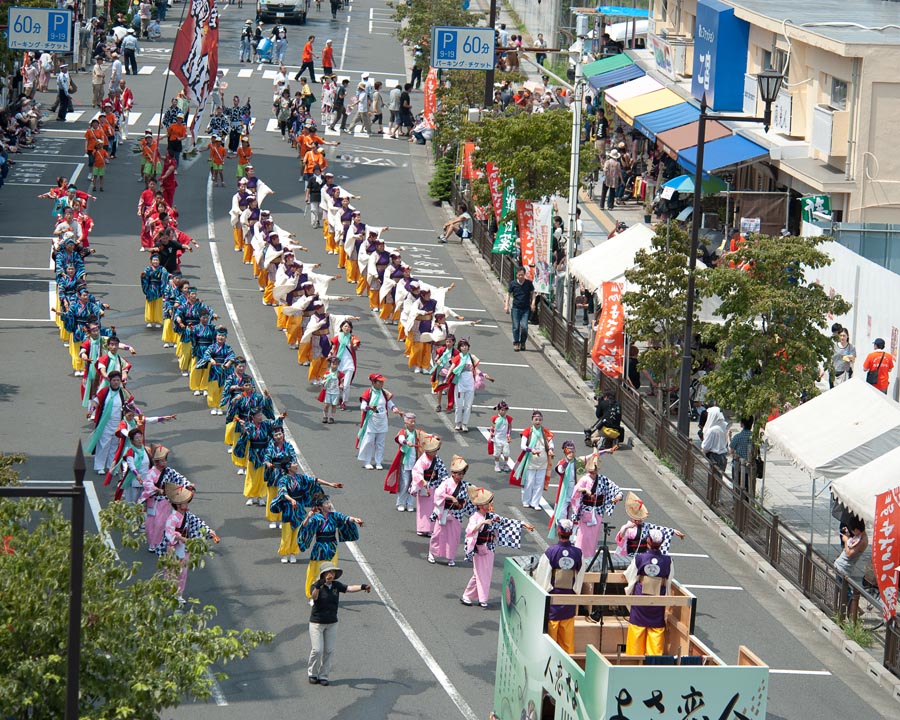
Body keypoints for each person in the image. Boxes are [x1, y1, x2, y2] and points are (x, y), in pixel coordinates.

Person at [462, 487, 534, 608]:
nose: (489, 505)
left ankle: (471, 596)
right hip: (480, 548)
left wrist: (523, 524)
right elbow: (470, 531)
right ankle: (475, 597)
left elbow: (506, 522)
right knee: (479, 573)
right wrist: (482, 524)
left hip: (489, 548)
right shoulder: (475, 517)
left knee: (484, 573)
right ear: (480, 505)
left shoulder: (492, 516)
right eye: (486, 503)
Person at [307, 563, 372, 686]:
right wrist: (317, 586)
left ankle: (323, 676)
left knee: (329, 650)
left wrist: (363, 587)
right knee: (317, 650)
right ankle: (312, 673)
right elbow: (313, 597)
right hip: (317, 623)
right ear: (323, 574)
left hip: (332, 623)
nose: (331, 574)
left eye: (333, 572)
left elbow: (349, 588)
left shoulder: (336, 586)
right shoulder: (316, 586)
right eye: (328, 572)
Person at [299, 496, 363, 599]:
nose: (329, 505)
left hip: (332, 548)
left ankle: (325, 594)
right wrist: (308, 517)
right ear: (320, 507)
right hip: (320, 549)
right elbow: (305, 526)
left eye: (329, 502)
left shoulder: (334, 516)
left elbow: (345, 518)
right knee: (317, 573)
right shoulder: (316, 518)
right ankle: (313, 595)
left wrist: (354, 519)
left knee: (330, 572)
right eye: (326, 503)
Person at [535, 519, 583, 653]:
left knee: (550, 643)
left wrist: (544, 593)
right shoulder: (578, 553)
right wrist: (575, 593)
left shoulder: (551, 552)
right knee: (567, 642)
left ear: (558, 531)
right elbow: (580, 577)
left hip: (553, 600)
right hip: (569, 600)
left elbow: (542, 576)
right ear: (571, 532)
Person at [624, 528, 672, 656]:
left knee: (637, 629)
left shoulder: (640, 558)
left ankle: (633, 663)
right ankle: (653, 666)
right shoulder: (668, 561)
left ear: (648, 540)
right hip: (657, 600)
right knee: (656, 631)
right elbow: (669, 580)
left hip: (641, 598)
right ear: (662, 543)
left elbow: (630, 575)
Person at [569, 453, 622, 559]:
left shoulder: (603, 479)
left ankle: (590, 556)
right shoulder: (584, 479)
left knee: (593, 536)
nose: (593, 472)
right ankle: (579, 555)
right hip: (586, 511)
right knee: (583, 536)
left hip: (598, 510)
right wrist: (584, 490)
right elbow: (577, 489)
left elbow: (615, 488)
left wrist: (618, 496)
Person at [428, 455, 474, 567]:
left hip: (457, 514)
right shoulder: (446, 483)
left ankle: (450, 557)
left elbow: (474, 492)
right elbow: (438, 494)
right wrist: (450, 497)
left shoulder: (465, 485)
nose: (461, 476)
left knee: (454, 537)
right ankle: (432, 553)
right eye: (459, 473)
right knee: (438, 534)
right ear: (453, 473)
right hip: (445, 512)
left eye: (462, 474)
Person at [357, 372, 403, 469]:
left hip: (382, 420)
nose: (382, 384)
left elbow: (389, 403)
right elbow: (362, 406)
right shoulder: (368, 392)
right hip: (371, 420)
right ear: (373, 383)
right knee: (369, 442)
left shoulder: (384, 392)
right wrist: (370, 407)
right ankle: (367, 461)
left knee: (380, 443)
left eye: (382, 382)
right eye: (379, 382)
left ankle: (378, 462)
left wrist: (395, 409)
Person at [510, 410, 554, 510]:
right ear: (532, 420)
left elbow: (551, 443)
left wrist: (551, 450)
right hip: (530, 461)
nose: (538, 422)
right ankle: (526, 501)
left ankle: (535, 503)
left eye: (540, 420)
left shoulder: (546, 432)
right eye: (536, 419)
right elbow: (522, 446)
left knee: (539, 483)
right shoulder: (527, 431)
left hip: (542, 462)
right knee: (529, 482)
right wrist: (531, 450)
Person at [383, 412, 425, 511]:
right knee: (405, 483)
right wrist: (407, 442)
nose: (413, 424)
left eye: (414, 421)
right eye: (411, 422)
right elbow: (400, 439)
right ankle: (400, 502)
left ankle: (410, 503)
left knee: (414, 484)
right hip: (405, 462)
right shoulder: (403, 432)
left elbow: (426, 437)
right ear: (406, 423)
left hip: (416, 462)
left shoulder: (417, 433)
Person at [834, 516, 868, 619]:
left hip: (844, 568)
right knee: (844, 590)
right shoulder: (860, 536)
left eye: (853, 530)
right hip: (841, 566)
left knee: (846, 592)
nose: (852, 532)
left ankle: (854, 612)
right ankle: (854, 610)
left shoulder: (863, 541)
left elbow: (849, 554)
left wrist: (845, 540)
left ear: (857, 529)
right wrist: (848, 535)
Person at [504, 267, 535, 352]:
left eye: (522, 275)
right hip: (516, 308)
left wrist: (533, 303)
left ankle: (523, 342)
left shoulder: (528, 283)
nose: (521, 276)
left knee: (524, 327)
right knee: (516, 327)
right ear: (516, 275)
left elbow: (533, 294)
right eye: (519, 275)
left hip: (525, 309)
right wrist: (506, 305)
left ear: (524, 275)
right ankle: (516, 343)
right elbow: (508, 294)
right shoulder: (513, 283)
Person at [728, 417, 753, 492]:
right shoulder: (754, 437)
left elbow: (731, 451)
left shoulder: (738, 437)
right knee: (748, 489)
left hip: (737, 466)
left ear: (742, 424)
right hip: (750, 467)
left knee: (737, 488)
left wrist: (728, 438)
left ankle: (737, 502)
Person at [700, 405, 728, 471]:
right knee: (719, 477)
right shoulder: (725, 425)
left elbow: (706, 447)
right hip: (723, 456)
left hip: (714, 457)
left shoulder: (712, 430)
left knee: (713, 478)